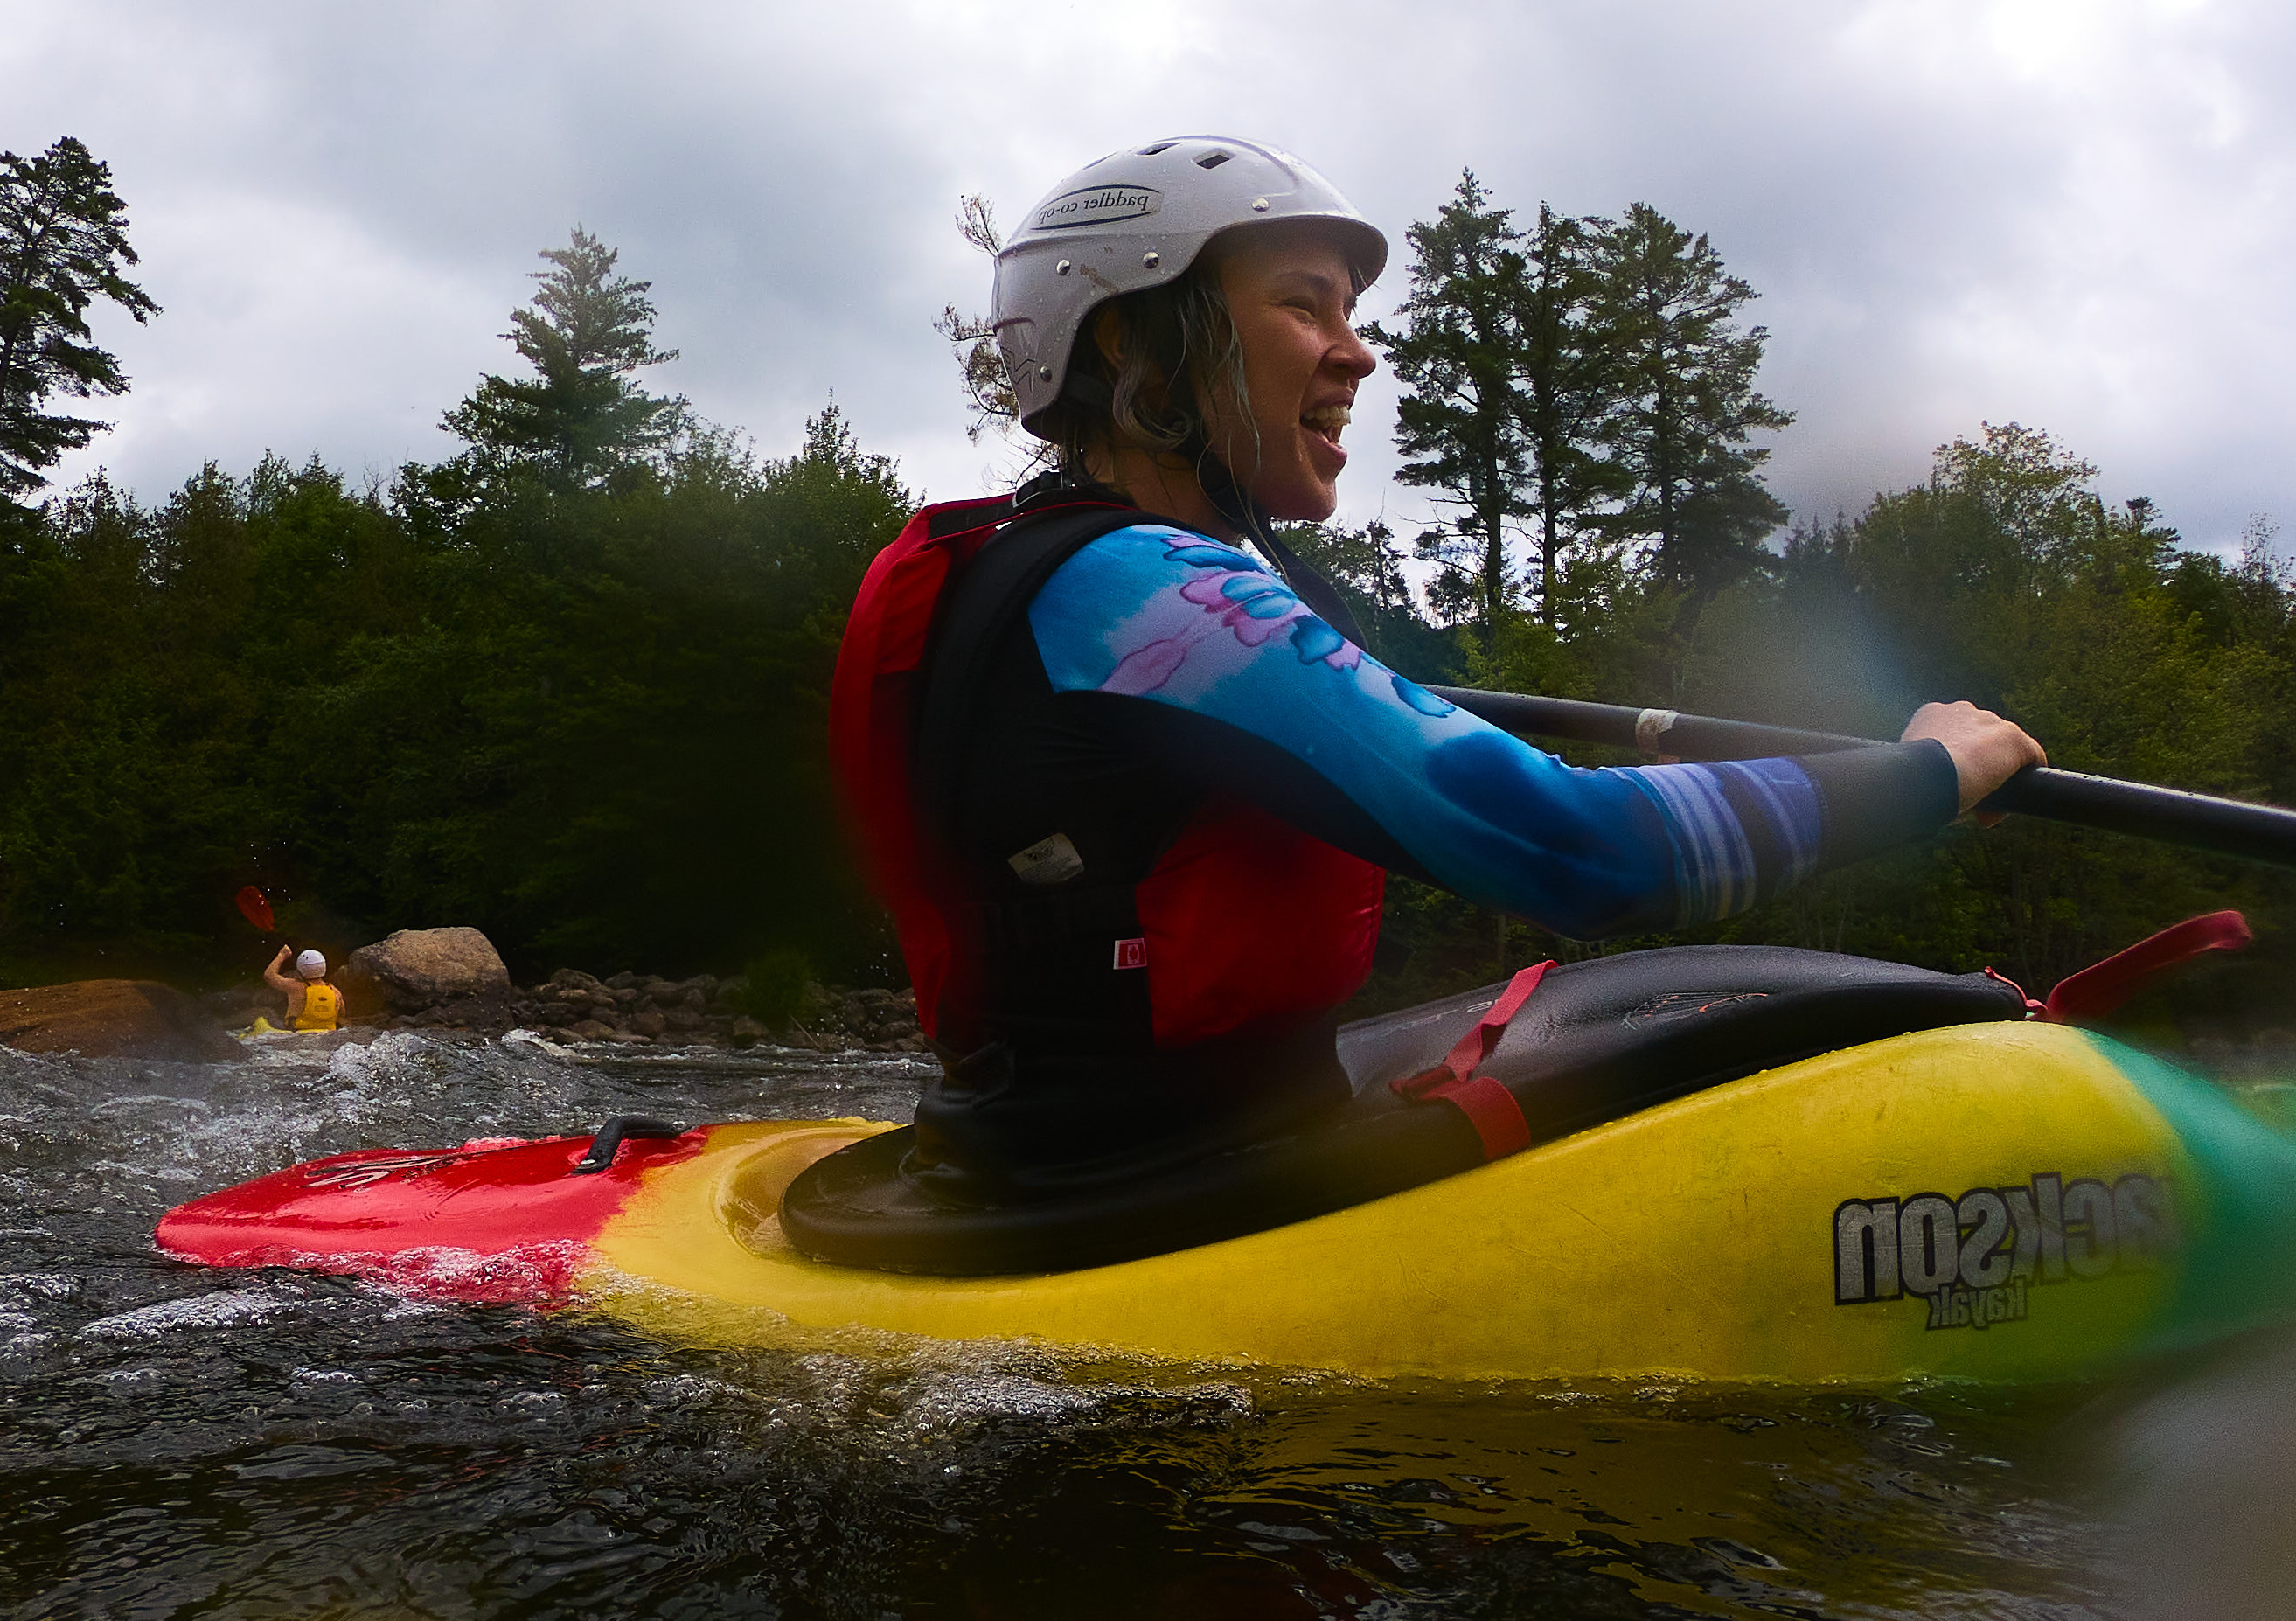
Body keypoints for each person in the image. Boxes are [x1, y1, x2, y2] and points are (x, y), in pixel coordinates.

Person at [860, 135, 2044, 1201]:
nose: (1357, 355)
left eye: (1353, 312)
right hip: (1144, 1188)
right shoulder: (1150, 591)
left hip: (1034, 1150)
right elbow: (1586, 852)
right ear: (1136, 342)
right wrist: (1926, 772)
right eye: (1303, 307)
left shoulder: (1032, 567)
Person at [260, 946, 343, 1033]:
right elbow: (341, 1016)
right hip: (327, 1036)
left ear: (300, 969)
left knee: (264, 1020)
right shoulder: (336, 993)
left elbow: (269, 976)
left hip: (297, 1035)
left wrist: (282, 955)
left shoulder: (295, 987)